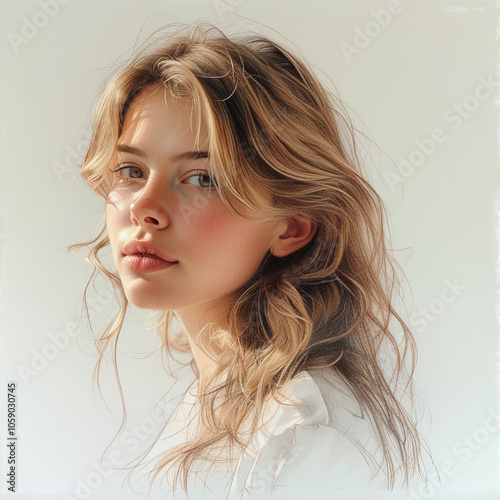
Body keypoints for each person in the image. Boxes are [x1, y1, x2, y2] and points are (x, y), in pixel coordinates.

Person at [76, 24, 430, 499]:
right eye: (131, 170)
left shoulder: (298, 436)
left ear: (291, 227)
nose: (144, 206)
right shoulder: (222, 401)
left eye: (202, 178)